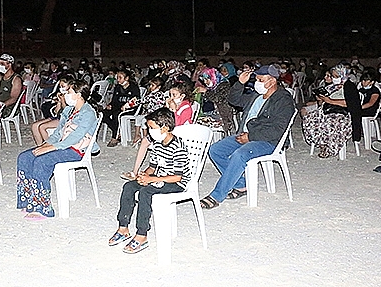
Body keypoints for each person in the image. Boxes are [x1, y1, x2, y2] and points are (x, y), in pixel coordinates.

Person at [199, 64, 295, 209]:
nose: (257, 83)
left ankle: (217, 195)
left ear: (272, 81)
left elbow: (278, 130)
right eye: (256, 79)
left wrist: (250, 137)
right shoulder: (257, 96)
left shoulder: (283, 100)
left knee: (240, 155)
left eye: (261, 80)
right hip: (245, 136)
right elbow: (234, 100)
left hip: (268, 140)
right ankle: (242, 185)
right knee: (215, 150)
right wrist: (240, 83)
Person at [108, 107, 190, 253]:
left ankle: (142, 235)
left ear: (164, 128)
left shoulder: (178, 147)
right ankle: (123, 228)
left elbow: (178, 176)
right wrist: (144, 176)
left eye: (151, 127)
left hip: (176, 183)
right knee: (129, 186)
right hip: (159, 178)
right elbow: (153, 166)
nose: (149, 130)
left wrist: (151, 180)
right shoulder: (157, 143)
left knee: (146, 192)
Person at [17, 80, 99, 221]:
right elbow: (57, 133)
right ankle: (28, 200)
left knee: (42, 161)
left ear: (78, 95)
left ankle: (43, 208)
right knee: (25, 157)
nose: (65, 94)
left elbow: (75, 137)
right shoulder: (69, 110)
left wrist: (51, 148)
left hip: (76, 150)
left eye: (69, 92)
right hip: (63, 146)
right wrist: (44, 145)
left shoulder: (88, 113)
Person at [301, 64, 362, 158]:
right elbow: (323, 102)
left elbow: (350, 103)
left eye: (336, 76)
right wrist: (321, 98)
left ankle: (329, 147)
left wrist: (330, 101)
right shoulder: (332, 87)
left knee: (331, 122)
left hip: (342, 112)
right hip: (327, 109)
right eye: (333, 76)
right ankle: (321, 142)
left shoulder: (349, 86)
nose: (334, 78)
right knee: (310, 119)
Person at [103, 70, 141, 147]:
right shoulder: (117, 87)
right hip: (118, 107)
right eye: (117, 77)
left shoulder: (134, 87)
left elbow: (136, 100)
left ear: (126, 78)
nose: (118, 79)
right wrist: (110, 105)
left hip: (131, 108)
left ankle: (115, 137)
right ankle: (117, 130)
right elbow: (114, 99)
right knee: (104, 114)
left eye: (120, 77)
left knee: (116, 115)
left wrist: (127, 106)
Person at [31, 78, 71, 146]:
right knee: (34, 126)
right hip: (57, 117)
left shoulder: (71, 96)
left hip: (65, 119)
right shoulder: (61, 95)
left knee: (42, 127)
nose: (61, 88)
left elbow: (66, 112)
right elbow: (56, 112)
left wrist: (62, 101)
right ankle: (39, 145)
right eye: (60, 86)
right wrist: (59, 102)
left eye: (63, 86)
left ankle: (48, 147)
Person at [0, 53, 23, 118]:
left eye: (2, 64)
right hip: (0, 103)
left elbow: (14, 98)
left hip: (9, 107)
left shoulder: (16, 79)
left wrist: (2, 105)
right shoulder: (1, 77)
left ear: (9, 64)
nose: (0, 66)